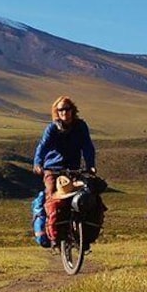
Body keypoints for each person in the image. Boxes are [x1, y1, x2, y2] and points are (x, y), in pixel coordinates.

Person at [33, 96, 97, 246]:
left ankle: (83, 235)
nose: (64, 112)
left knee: (87, 196)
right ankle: (53, 234)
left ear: (72, 110)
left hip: (74, 169)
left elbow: (87, 146)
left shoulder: (80, 126)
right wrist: (38, 163)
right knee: (51, 197)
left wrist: (90, 165)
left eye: (67, 109)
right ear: (57, 112)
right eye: (60, 109)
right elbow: (43, 146)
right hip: (53, 169)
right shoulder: (52, 128)